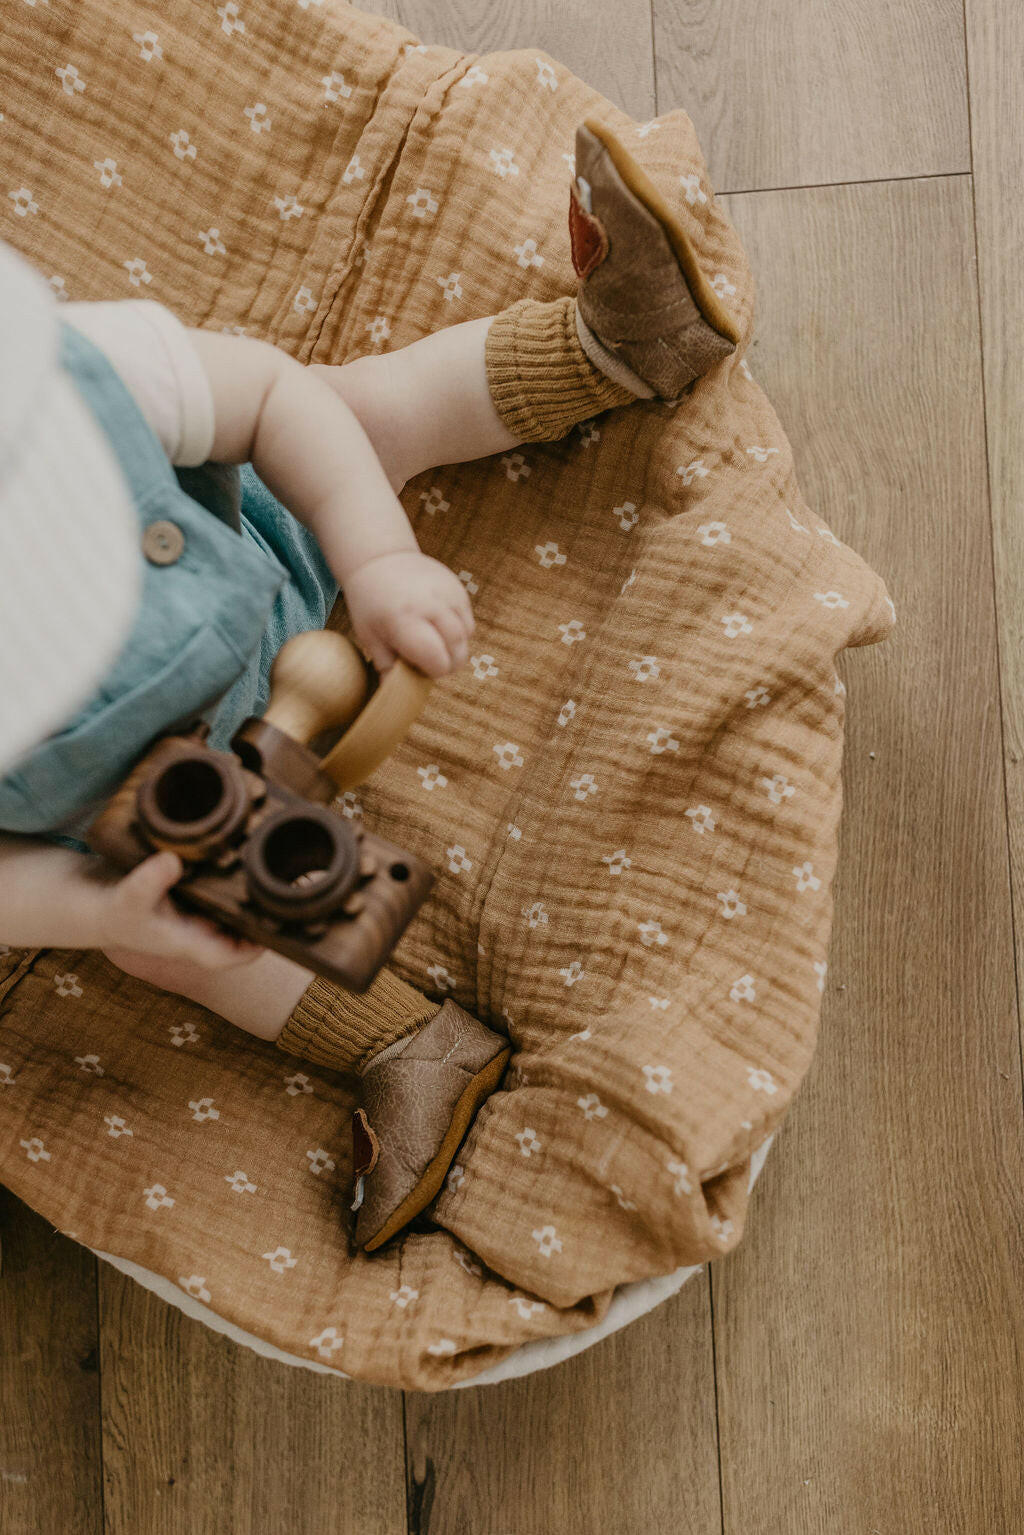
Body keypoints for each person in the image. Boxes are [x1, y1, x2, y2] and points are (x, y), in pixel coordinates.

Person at [0, 122, 739, 1249]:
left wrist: (377, 556)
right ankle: (407, 1043)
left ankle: (613, 347)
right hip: (130, 825)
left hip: (265, 554)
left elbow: (265, 398)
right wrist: (95, 906)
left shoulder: (72, 374)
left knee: (355, 413)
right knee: (164, 947)